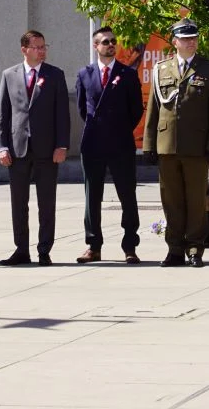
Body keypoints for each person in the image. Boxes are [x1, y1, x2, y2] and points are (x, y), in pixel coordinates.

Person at [143, 20, 209, 268]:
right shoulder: (161, 69)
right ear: (175, 41)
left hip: (197, 146)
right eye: (186, 39)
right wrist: (149, 144)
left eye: (194, 38)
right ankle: (175, 250)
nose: (191, 42)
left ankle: (195, 249)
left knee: (196, 201)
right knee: (171, 200)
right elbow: (154, 109)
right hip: (167, 145)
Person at [0, 30, 71, 266]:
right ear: (24, 50)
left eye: (44, 46)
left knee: (46, 203)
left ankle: (44, 250)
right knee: (19, 203)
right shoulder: (9, 75)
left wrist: (61, 145)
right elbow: (2, 114)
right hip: (17, 149)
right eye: (37, 47)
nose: (42, 51)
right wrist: (1, 146)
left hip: (47, 149)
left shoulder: (55, 75)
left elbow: (62, 114)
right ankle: (21, 250)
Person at [74, 26, 144, 264]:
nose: (111, 45)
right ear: (96, 46)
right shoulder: (84, 74)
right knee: (92, 197)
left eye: (113, 41)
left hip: (120, 143)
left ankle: (130, 246)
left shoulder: (128, 74)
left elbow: (136, 110)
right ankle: (93, 246)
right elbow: (82, 108)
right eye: (105, 42)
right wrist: (99, 128)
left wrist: (118, 128)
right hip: (93, 143)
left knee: (127, 195)